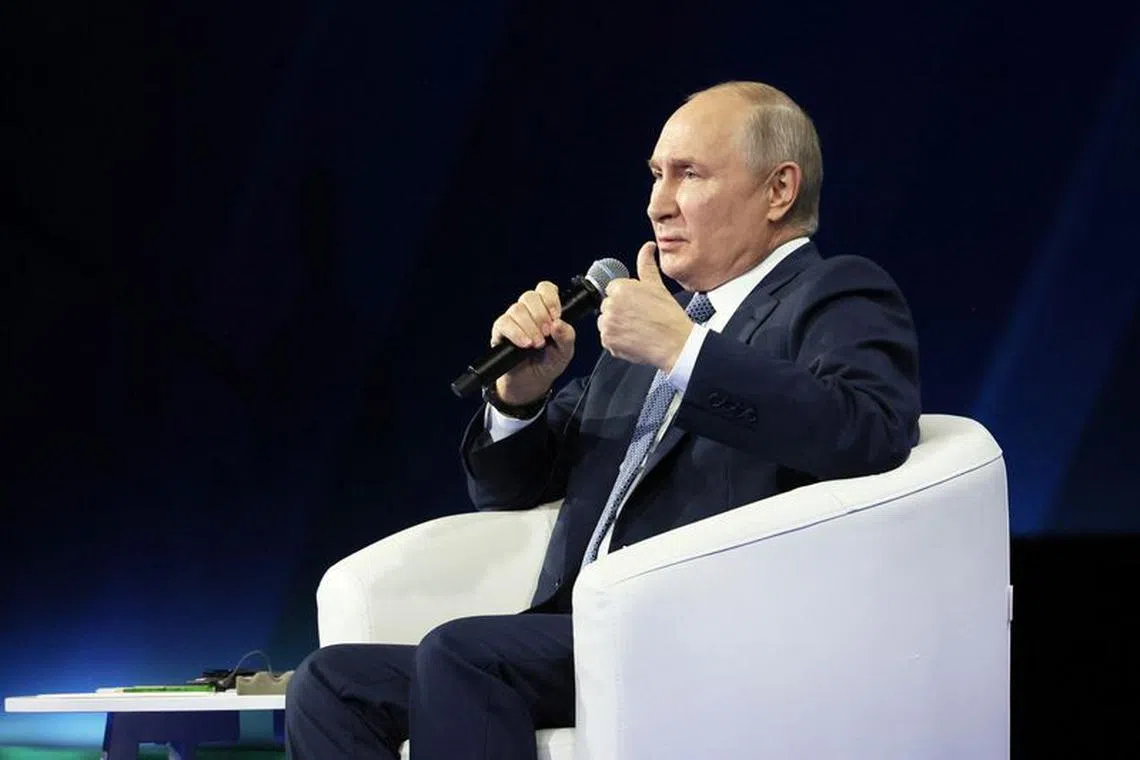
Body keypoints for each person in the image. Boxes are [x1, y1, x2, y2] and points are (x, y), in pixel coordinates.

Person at [285, 80, 921, 759]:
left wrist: (684, 351)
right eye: (655, 174)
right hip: (582, 629)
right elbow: (509, 491)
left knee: (463, 654)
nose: (657, 203)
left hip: (705, 628)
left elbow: (869, 429)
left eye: (689, 174)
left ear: (779, 190)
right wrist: (520, 398)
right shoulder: (649, 333)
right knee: (331, 684)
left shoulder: (834, 292)